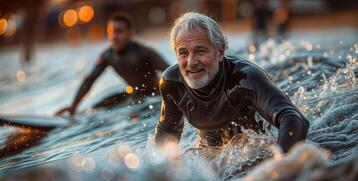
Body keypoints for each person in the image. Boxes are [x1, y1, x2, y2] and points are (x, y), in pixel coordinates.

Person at [154, 12, 309, 153]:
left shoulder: (246, 77)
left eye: (200, 51)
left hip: (254, 149)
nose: (191, 62)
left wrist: (279, 163)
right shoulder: (171, 82)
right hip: (210, 151)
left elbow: (293, 118)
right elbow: (168, 129)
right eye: (183, 53)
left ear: (220, 51)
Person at [56, 12, 169, 115]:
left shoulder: (144, 51)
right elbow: (89, 80)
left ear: (130, 33)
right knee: (99, 107)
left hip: (156, 96)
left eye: (119, 31)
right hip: (135, 96)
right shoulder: (108, 56)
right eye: (111, 32)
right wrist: (74, 106)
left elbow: (170, 71)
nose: (114, 36)